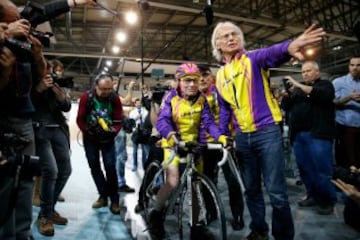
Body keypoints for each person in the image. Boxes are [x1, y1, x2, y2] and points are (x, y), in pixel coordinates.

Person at [211, 21, 326, 240]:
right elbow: (225, 108)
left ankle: (283, 236)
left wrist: (290, 46)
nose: (231, 38)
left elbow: (272, 53)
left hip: (267, 132)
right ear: (217, 44)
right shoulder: (220, 76)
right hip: (243, 137)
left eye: (235, 34)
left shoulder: (252, 59)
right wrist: (222, 133)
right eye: (225, 36)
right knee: (251, 189)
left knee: (276, 192)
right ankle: (259, 230)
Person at [149, 62, 230, 239]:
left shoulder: (202, 99)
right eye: (187, 81)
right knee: (173, 181)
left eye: (195, 80)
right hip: (173, 143)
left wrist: (221, 137)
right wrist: (171, 136)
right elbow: (162, 121)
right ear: (179, 81)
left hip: (194, 145)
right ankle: (155, 214)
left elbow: (208, 122)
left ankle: (196, 226)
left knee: (196, 185)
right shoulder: (170, 97)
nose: (192, 84)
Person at [281, 61, 337, 215]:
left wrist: (297, 85)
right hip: (299, 136)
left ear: (317, 72)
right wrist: (288, 93)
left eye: (308, 71)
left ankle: (327, 201)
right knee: (305, 169)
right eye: (303, 71)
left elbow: (320, 95)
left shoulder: (325, 85)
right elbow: (285, 106)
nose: (305, 73)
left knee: (322, 170)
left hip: (318, 135)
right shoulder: (298, 90)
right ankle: (312, 195)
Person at [197, 64, 245, 230]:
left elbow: (235, 113)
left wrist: (235, 136)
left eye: (205, 74)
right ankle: (211, 212)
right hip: (204, 145)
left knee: (233, 181)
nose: (202, 78)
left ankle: (237, 214)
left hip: (226, 144)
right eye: (199, 75)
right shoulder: (192, 97)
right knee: (207, 181)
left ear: (211, 76)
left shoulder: (222, 91)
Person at [32, 61, 72, 236]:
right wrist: (39, 89)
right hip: (40, 130)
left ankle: (47, 211)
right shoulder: (32, 81)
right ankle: (45, 217)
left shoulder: (56, 86)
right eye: (48, 71)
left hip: (58, 129)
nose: (51, 74)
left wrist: (61, 97)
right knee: (51, 171)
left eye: (53, 72)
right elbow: (23, 103)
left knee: (65, 170)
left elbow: (67, 107)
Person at [76, 73, 122, 214]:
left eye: (109, 89)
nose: (107, 92)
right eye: (103, 89)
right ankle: (103, 196)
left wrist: (112, 132)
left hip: (108, 138)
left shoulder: (114, 98)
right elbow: (80, 119)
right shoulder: (86, 97)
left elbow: (118, 120)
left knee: (110, 167)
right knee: (94, 166)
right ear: (96, 87)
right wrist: (89, 132)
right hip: (90, 138)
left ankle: (114, 200)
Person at [332, 55, 360, 168]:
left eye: (358, 65)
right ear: (348, 66)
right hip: (344, 128)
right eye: (352, 65)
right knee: (346, 162)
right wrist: (349, 97)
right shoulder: (338, 82)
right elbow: (332, 102)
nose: (355, 68)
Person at [113, 79, 136, 193]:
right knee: (121, 156)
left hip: (112, 129)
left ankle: (114, 182)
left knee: (115, 156)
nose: (117, 85)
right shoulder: (112, 95)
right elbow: (127, 101)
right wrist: (130, 88)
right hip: (116, 129)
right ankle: (120, 183)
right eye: (115, 83)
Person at [129, 98, 149, 171]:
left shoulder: (145, 112)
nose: (139, 104)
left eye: (140, 103)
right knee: (135, 150)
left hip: (144, 133)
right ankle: (135, 165)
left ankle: (144, 165)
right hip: (136, 132)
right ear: (135, 104)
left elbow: (147, 121)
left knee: (144, 151)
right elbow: (130, 123)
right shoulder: (132, 112)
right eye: (137, 103)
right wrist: (136, 118)